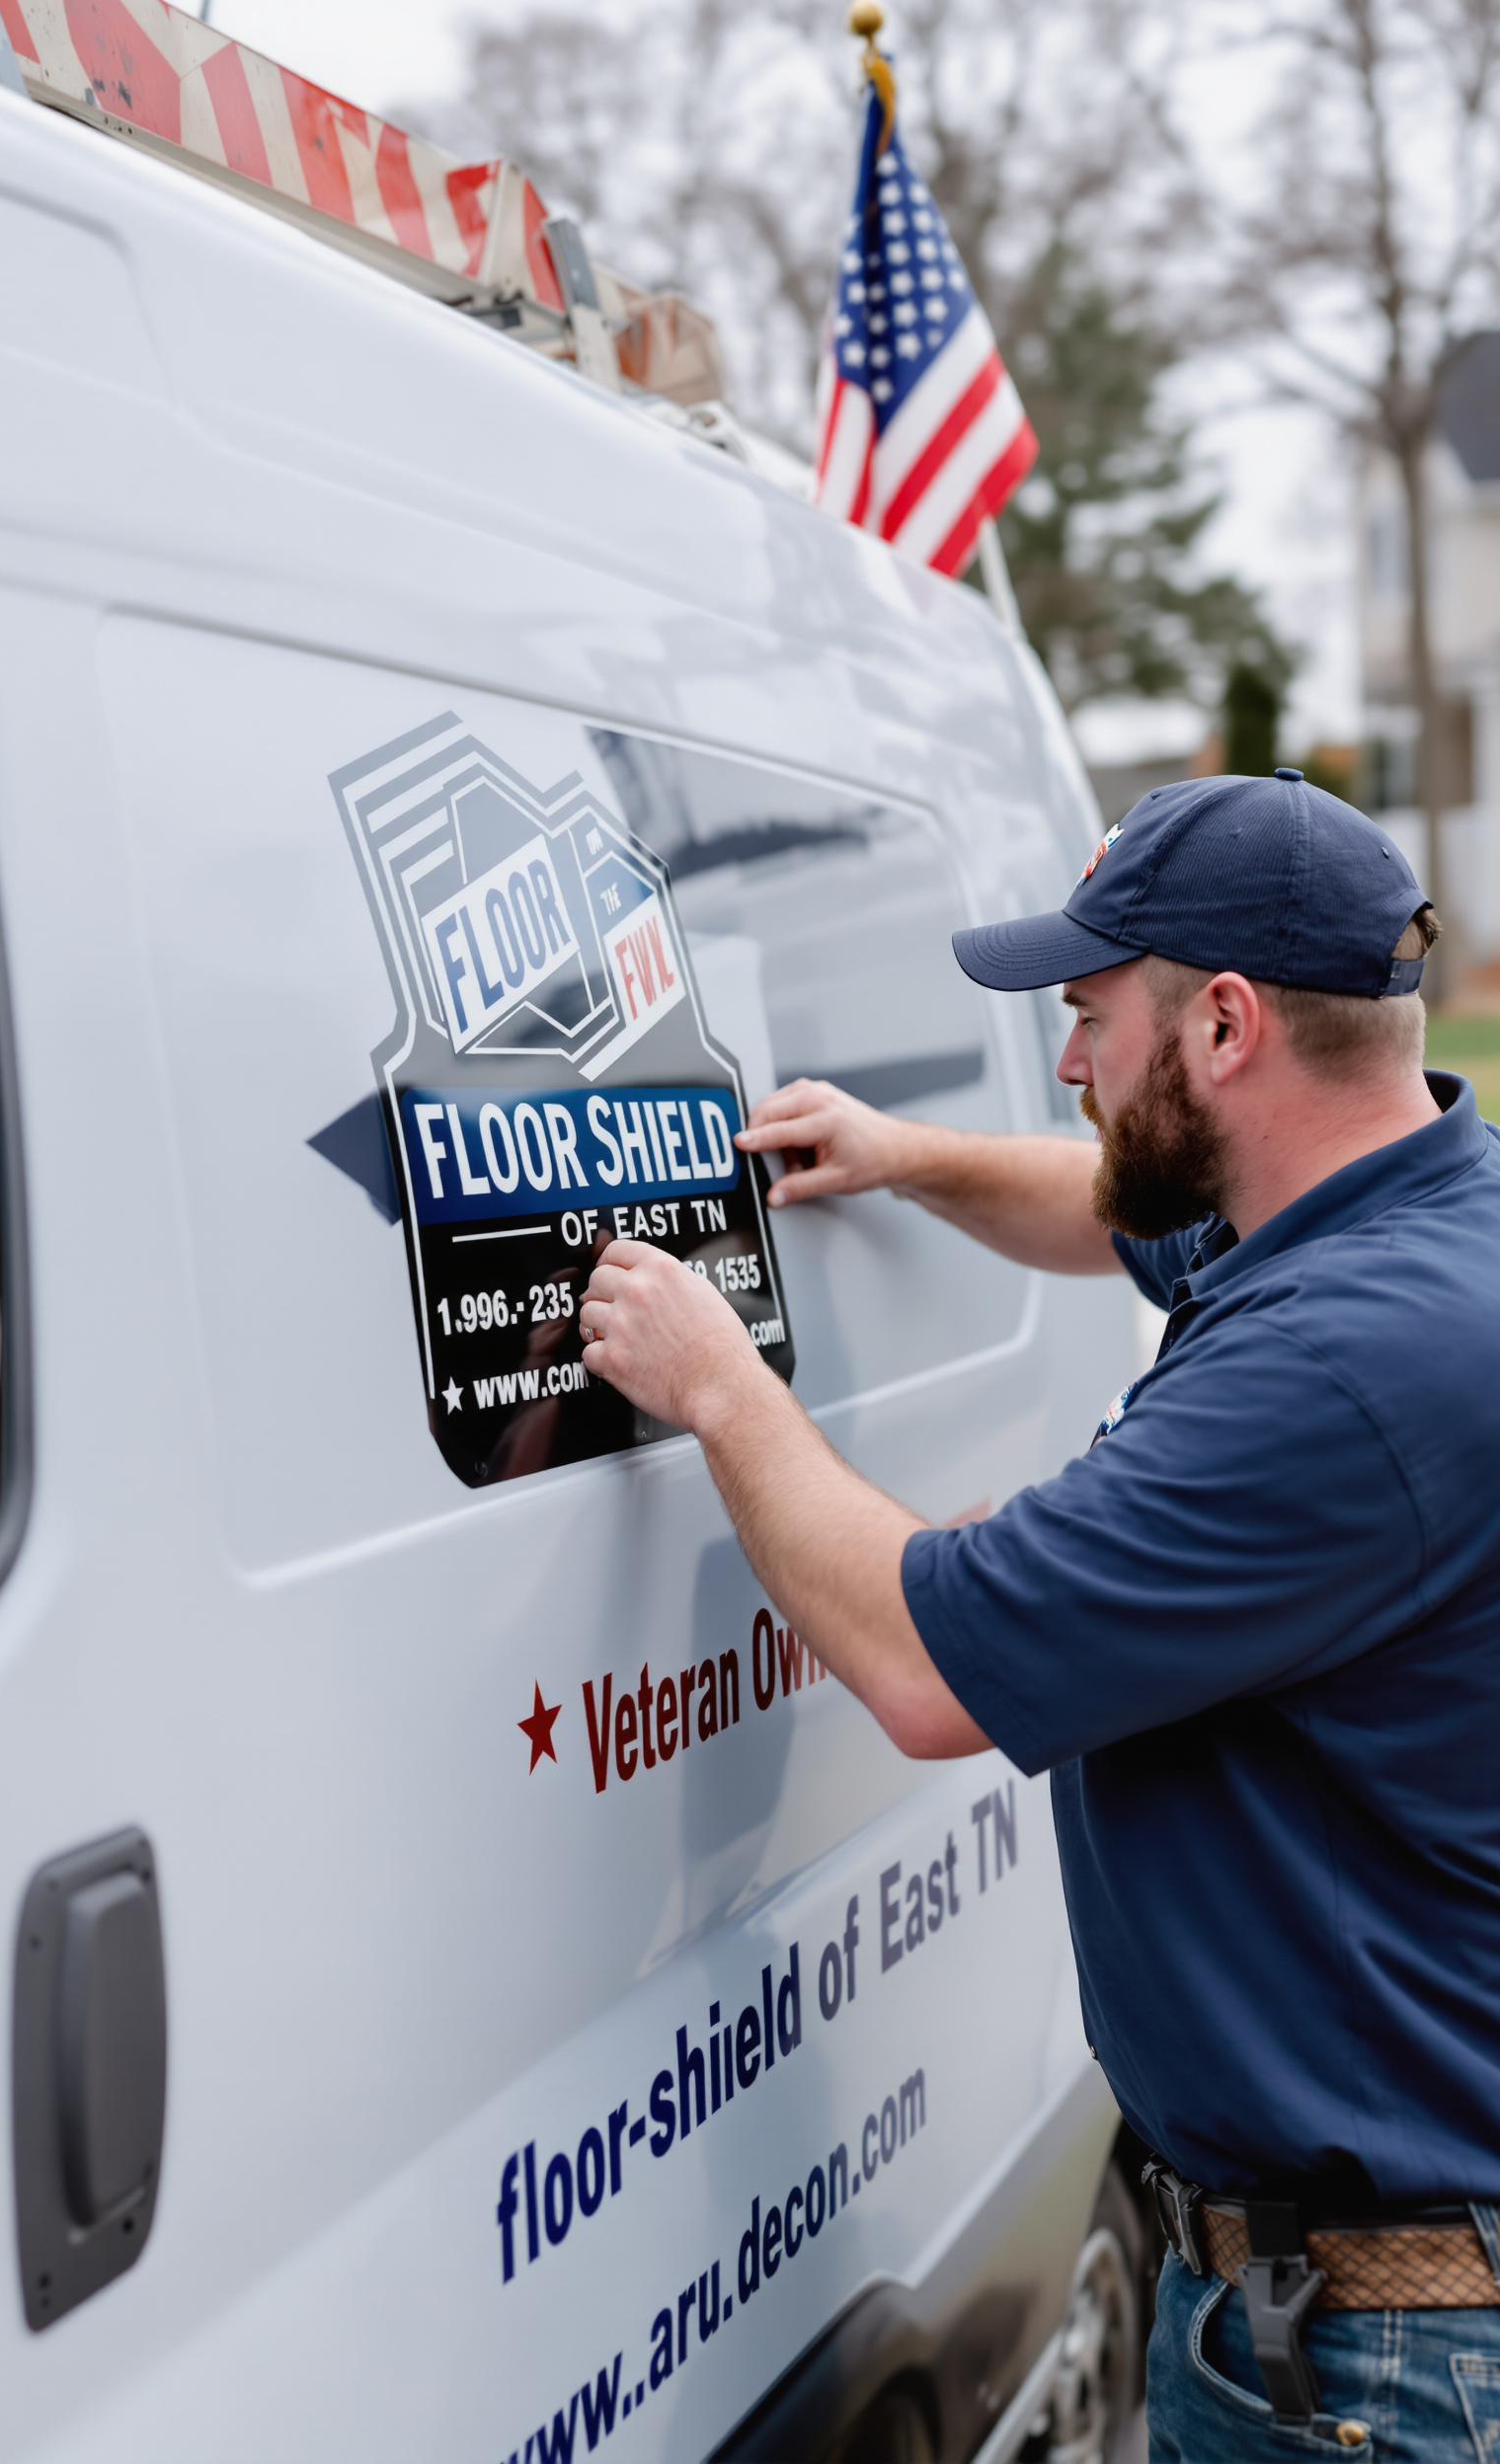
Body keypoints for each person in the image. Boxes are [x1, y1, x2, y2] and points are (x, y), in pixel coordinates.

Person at [578, 768, 1500, 2463]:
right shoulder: (1417, 1202)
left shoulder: (1340, 1369)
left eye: (1087, 1018)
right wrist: (899, 1152)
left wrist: (720, 1383)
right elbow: (1121, 1210)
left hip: (1380, 2366)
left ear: (1224, 1027)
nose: (1066, 1063)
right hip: (1354, 2297)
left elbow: (929, 1668)